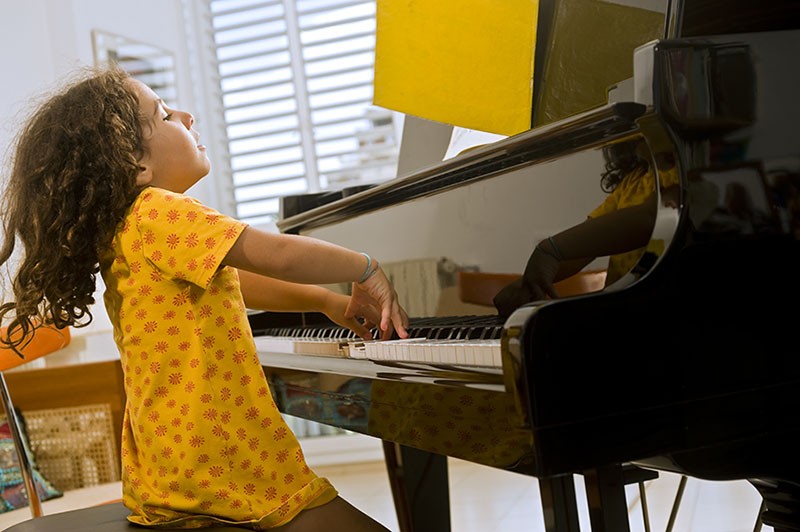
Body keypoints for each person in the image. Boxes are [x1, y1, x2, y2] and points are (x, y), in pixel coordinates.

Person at [0, 68, 409, 531]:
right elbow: (275, 255)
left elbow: (237, 279)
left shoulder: (127, 230)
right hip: (220, 454)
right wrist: (365, 268)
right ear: (136, 165)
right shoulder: (158, 210)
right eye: (165, 114)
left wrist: (325, 302)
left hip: (172, 463)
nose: (188, 115)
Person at [494, 137, 679, 318]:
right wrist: (529, 282)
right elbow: (586, 247)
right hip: (624, 311)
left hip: (662, 311)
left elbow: (651, 218)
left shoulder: (677, 175)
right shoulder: (633, 181)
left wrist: (550, 249)